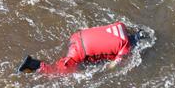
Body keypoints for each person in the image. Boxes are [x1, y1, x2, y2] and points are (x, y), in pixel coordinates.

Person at [18, 21, 151, 74]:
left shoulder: (121, 26)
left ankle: (34, 66)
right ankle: (32, 65)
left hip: (77, 36)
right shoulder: (125, 47)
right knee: (58, 73)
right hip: (81, 52)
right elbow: (113, 66)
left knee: (66, 62)